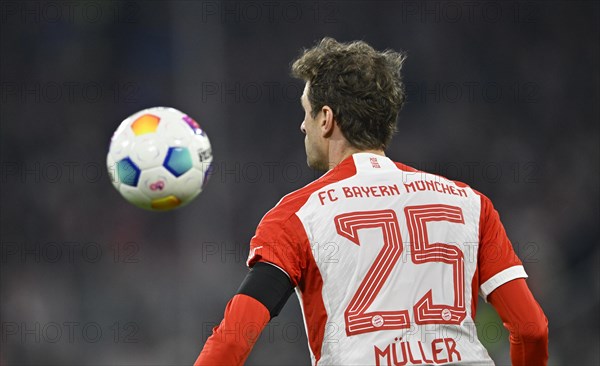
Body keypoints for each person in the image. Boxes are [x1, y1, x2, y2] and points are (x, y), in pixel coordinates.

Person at [194, 38, 548, 365]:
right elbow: (531, 328)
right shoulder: (470, 204)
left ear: (327, 119)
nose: (302, 126)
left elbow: (233, 340)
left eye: (306, 111)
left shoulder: (297, 216)